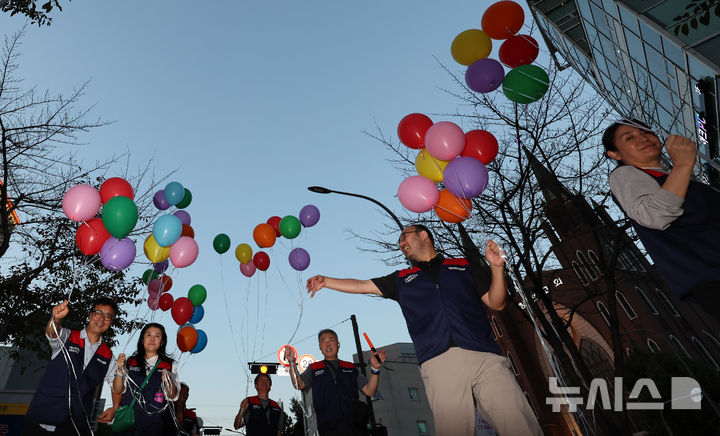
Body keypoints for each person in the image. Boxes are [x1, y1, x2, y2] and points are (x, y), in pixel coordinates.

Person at [304, 225, 542, 436]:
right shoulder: (402, 279)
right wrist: (327, 280)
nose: (401, 243)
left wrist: (496, 267)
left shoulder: (462, 265)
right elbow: (362, 285)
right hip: (439, 362)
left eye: (404, 236)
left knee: (519, 423)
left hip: (486, 357)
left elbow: (496, 302)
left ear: (424, 235)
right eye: (399, 241)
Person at [604, 119, 720, 320]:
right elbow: (653, 215)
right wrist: (683, 163)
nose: (642, 138)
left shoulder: (675, 179)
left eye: (646, 133)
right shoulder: (624, 174)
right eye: (629, 137)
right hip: (712, 275)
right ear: (615, 154)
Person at [23, 298, 120, 436]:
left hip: (75, 425)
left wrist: (115, 407)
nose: (102, 319)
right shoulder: (68, 336)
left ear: (111, 322)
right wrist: (55, 319)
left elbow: (116, 383)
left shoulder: (108, 355)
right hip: (42, 416)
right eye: (98, 313)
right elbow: (52, 333)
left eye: (108, 316)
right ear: (90, 315)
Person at [285, 329, 386, 436]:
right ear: (319, 346)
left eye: (331, 340)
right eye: (323, 341)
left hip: (355, 427)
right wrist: (292, 362)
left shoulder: (350, 367)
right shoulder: (314, 368)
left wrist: (375, 369)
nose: (327, 344)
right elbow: (298, 384)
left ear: (338, 344)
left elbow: (370, 391)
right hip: (328, 428)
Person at [113, 323, 180, 435]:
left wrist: (169, 381)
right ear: (142, 339)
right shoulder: (130, 362)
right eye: (148, 335)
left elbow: (173, 396)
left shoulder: (169, 364)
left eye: (157, 336)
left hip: (156, 426)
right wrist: (119, 370)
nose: (152, 339)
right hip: (130, 425)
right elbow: (118, 390)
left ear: (162, 342)